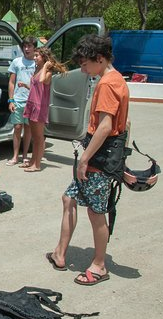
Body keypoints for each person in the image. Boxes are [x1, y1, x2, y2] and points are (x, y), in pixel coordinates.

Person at [46, 35, 129, 286]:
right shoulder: (114, 80)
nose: (82, 69)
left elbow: (105, 127)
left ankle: (99, 265)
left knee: (96, 212)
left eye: (85, 64)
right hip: (101, 154)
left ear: (100, 59)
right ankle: (60, 253)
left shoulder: (107, 84)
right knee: (69, 198)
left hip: (99, 158)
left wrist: (84, 158)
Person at [22, 47, 67, 172]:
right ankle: (32, 161)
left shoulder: (47, 73)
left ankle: (37, 164)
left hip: (40, 106)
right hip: (31, 103)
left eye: (37, 56)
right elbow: (34, 85)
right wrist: (25, 85)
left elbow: (42, 81)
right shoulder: (37, 69)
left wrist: (46, 66)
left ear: (44, 58)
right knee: (33, 137)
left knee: (38, 137)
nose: (35, 58)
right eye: (35, 55)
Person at [6, 37, 37, 167]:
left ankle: (25, 156)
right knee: (17, 127)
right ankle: (15, 156)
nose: (26, 49)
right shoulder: (16, 62)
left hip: (31, 100)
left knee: (28, 128)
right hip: (18, 100)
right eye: (25, 46)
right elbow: (11, 82)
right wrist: (11, 100)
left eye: (29, 46)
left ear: (34, 48)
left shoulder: (37, 63)